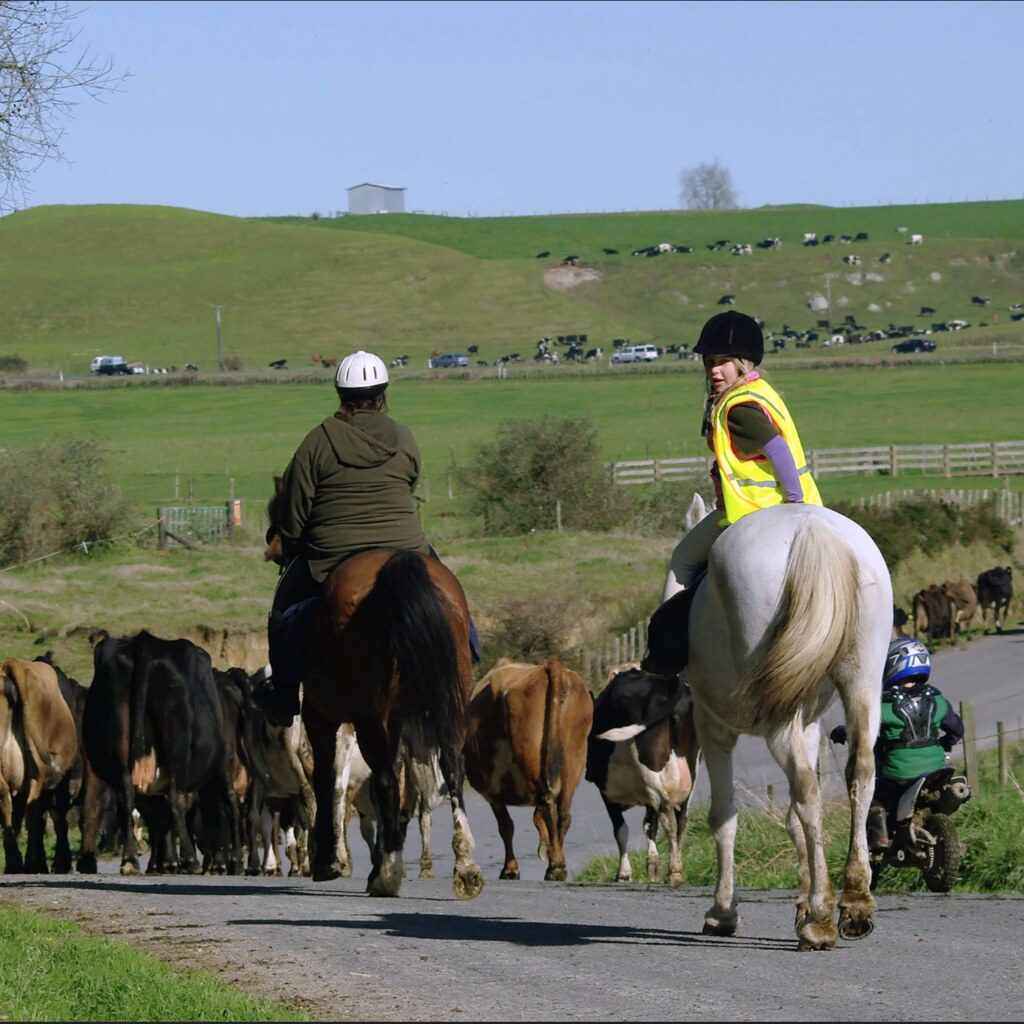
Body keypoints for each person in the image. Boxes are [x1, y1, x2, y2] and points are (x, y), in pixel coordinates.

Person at [253, 349, 476, 726]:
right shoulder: (404, 437)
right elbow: (410, 480)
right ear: (383, 395)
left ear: (340, 395)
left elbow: (293, 511)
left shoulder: (317, 441)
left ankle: (285, 693)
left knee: (284, 606)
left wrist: (294, 534)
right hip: (407, 544)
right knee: (447, 590)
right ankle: (466, 652)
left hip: (332, 553)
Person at [641, 310, 822, 678]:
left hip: (755, 513)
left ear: (744, 363)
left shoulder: (738, 408)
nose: (714, 370)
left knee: (682, 560)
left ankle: (673, 659)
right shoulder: (761, 392)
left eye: (723, 362)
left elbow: (780, 454)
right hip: (804, 508)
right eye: (710, 362)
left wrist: (793, 502)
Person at [830, 637, 965, 850]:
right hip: (939, 768)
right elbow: (957, 730)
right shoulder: (937, 699)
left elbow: (861, 728)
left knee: (873, 793)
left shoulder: (884, 704)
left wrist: (841, 731)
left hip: (900, 773)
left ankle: (879, 839)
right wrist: (944, 743)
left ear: (893, 665)